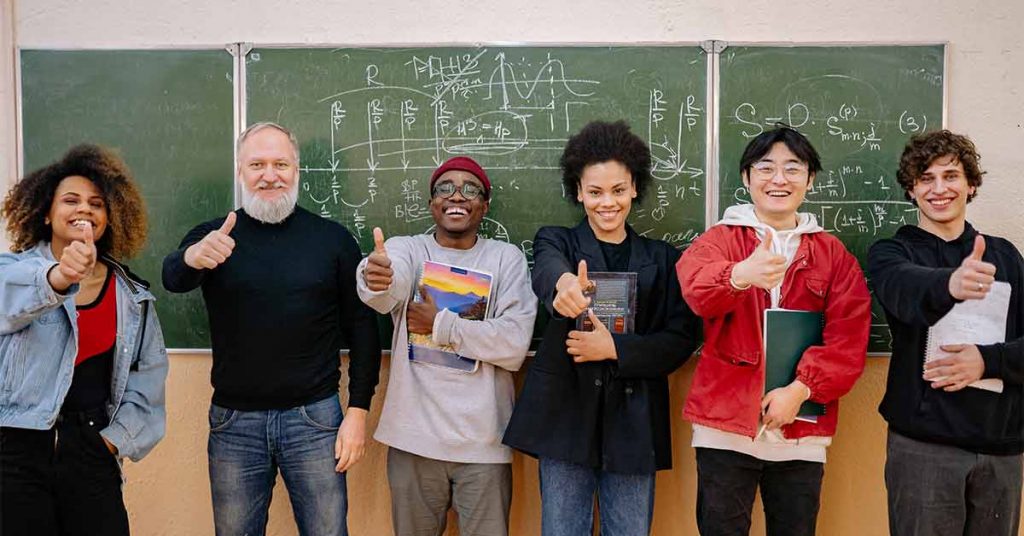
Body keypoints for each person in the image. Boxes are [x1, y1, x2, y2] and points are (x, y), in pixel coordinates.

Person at [162, 122, 380, 536]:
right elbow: (173, 277)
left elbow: (362, 328)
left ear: (297, 170)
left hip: (316, 421)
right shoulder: (216, 235)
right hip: (234, 425)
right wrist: (193, 256)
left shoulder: (332, 239)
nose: (269, 175)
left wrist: (357, 411)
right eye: (257, 164)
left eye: (281, 164)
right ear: (241, 171)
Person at [503, 120, 700, 535]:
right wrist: (564, 286)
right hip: (565, 418)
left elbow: (682, 337)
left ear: (634, 188)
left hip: (633, 424)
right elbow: (548, 271)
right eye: (594, 192)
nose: (606, 203)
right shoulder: (557, 242)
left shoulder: (663, 258)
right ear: (578, 192)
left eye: (617, 190)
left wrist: (616, 350)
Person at [676, 126, 870, 536]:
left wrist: (800, 391)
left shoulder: (833, 256)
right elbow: (695, 290)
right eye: (765, 168)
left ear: (810, 179)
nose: (778, 179)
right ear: (747, 177)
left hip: (802, 434)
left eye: (792, 168)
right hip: (724, 431)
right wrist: (739, 274)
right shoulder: (720, 241)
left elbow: (848, 340)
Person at [357, 155, 536, 536]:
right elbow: (387, 285)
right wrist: (376, 276)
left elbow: (513, 344)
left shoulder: (507, 260)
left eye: (470, 189)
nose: (457, 195)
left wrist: (441, 324)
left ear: (484, 205)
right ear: (431, 202)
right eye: (445, 188)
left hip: (483, 445)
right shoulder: (407, 250)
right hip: (413, 441)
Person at [0, 144, 168, 536]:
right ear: (46, 211)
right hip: (17, 450)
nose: (84, 209)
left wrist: (109, 444)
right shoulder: (14, 271)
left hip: (91, 451)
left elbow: (148, 381)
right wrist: (60, 278)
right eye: (70, 200)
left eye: (96, 203)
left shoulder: (132, 297)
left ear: (110, 217)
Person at [868, 130, 1024, 535]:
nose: (939, 189)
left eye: (951, 176)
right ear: (911, 189)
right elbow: (904, 289)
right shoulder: (891, 253)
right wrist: (951, 285)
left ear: (971, 184)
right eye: (926, 178)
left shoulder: (1006, 257)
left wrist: (987, 361)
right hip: (925, 450)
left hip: (1000, 451)